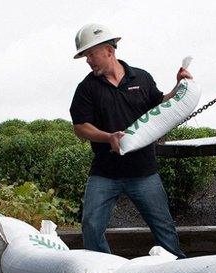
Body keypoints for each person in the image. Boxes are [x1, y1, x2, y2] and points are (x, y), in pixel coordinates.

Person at [69, 23, 188, 258]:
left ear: (109, 51)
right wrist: (108, 137)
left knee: (164, 228)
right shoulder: (87, 88)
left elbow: (161, 105)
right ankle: (102, 271)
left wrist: (180, 86)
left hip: (144, 171)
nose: (88, 61)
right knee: (91, 225)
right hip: (105, 173)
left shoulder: (141, 78)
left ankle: (178, 271)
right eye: (85, 56)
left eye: (91, 54)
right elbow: (80, 127)